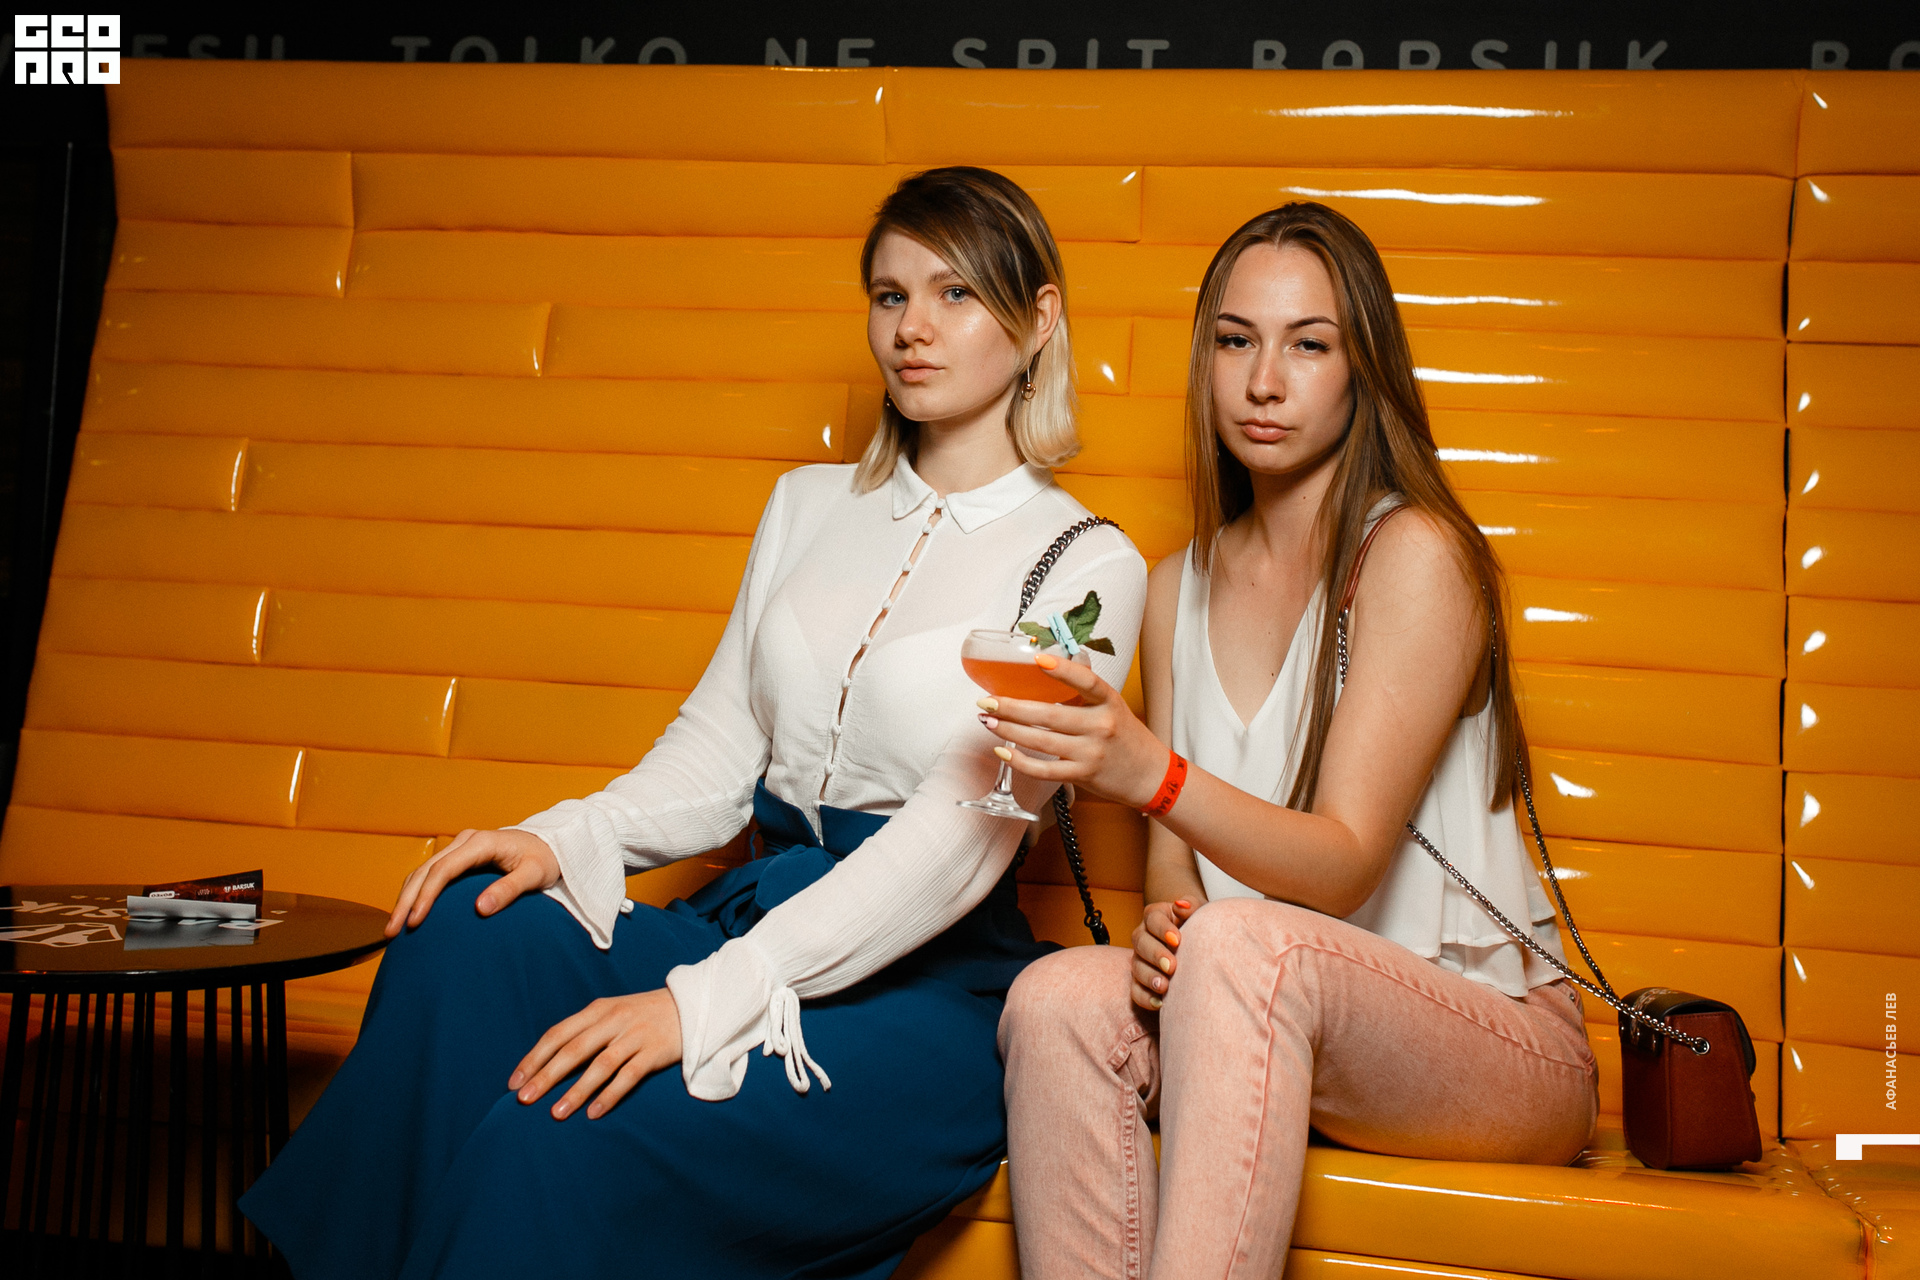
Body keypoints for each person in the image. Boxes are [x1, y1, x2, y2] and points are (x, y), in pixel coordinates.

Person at [238, 167, 1146, 1280]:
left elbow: (956, 843)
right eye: (889, 294)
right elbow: (719, 754)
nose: (912, 327)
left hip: (929, 986)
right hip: (753, 912)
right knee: (464, 934)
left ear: (1038, 317)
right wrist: (563, 838)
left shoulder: (1086, 565)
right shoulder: (806, 504)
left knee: (568, 1127)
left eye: (954, 293)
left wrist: (708, 1000)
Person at [984, 202, 1599, 1280]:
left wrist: (1150, 772)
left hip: (1496, 1043)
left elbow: (1347, 859)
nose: (1264, 381)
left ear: (1365, 367)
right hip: (1265, 1008)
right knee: (1054, 998)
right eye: (1237, 340)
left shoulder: (1415, 553)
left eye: (1309, 345)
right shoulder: (1175, 585)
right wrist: (1164, 922)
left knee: (1240, 947)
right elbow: (1176, 875)